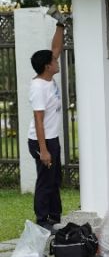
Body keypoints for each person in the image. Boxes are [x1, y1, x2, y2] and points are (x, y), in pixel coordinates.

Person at [27, 21, 65, 232]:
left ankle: (54, 217)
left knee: (54, 179)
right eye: (54, 61)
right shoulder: (39, 87)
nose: (57, 61)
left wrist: (60, 25)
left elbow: (56, 48)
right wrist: (43, 150)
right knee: (46, 181)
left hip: (51, 138)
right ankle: (42, 221)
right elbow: (38, 120)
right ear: (47, 67)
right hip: (41, 141)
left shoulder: (48, 77)